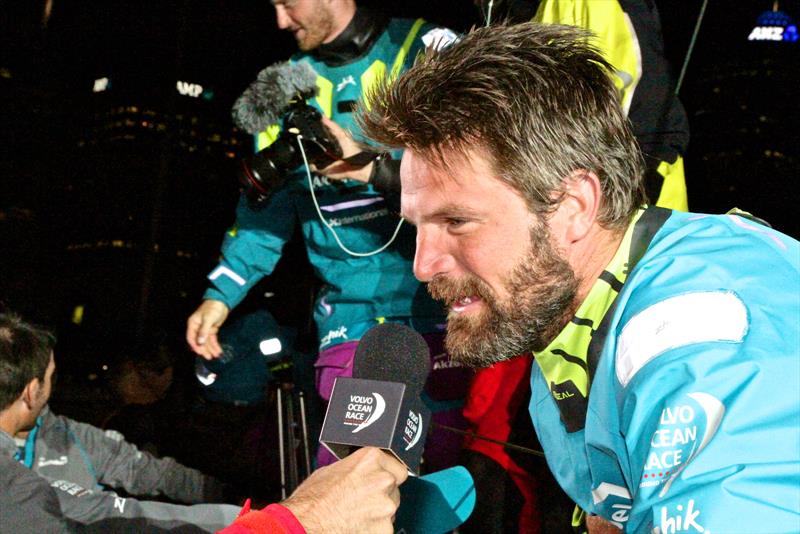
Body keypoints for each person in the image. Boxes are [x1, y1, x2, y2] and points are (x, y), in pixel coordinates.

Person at [358, 22, 800, 533]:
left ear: (574, 207)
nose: (423, 264)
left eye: (456, 221)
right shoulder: (570, 309)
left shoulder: (695, 337)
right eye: (417, 227)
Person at [186, 0, 469, 470]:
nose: (279, 20)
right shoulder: (280, 89)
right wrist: (220, 295)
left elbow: (479, 179)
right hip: (350, 320)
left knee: (435, 486)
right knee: (350, 477)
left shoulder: (423, 51)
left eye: (287, 3)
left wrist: (369, 166)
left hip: (444, 308)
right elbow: (264, 213)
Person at [1, 313, 408, 533]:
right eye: (52, 378)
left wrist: (239, 504)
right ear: (31, 390)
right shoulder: (15, 490)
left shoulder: (76, 436)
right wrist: (280, 523)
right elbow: (100, 513)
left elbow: (146, 478)